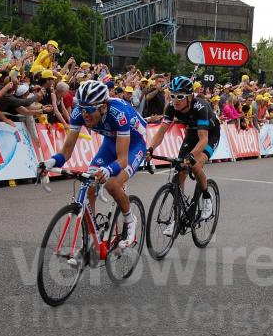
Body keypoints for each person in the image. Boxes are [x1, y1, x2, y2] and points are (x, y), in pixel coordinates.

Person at [37, 81, 147, 263]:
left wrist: (108, 169)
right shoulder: (79, 113)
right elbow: (66, 151)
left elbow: (122, 160)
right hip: (110, 142)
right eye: (81, 108)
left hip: (134, 145)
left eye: (89, 109)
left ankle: (130, 219)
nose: (84, 114)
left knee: (112, 184)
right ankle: (89, 240)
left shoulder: (119, 114)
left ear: (103, 107)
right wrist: (49, 162)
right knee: (89, 185)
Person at [146, 76, 221, 234]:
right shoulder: (171, 108)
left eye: (180, 96)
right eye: (172, 96)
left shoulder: (201, 107)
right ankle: (178, 216)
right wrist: (150, 149)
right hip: (192, 133)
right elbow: (161, 133)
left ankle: (207, 197)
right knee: (180, 170)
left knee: (194, 166)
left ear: (190, 96)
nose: (176, 100)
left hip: (209, 135)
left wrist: (191, 157)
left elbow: (203, 140)